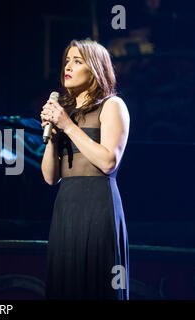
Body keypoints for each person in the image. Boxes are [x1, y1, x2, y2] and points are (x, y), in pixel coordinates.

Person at [40, 39, 130, 300]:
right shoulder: (66, 114)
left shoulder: (112, 105)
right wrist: (53, 136)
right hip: (66, 207)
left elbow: (108, 162)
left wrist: (67, 126)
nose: (68, 66)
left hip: (97, 205)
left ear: (95, 69)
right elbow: (49, 177)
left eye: (77, 61)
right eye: (67, 60)